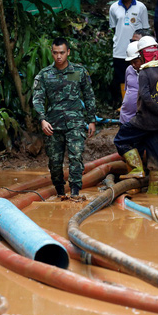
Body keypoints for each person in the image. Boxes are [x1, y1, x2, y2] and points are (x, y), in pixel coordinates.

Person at [114, 36, 158, 195]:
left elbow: (146, 98)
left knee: (121, 139)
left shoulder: (145, 72)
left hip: (144, 121)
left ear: (143, 54)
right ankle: (153, 197)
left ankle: (137, 168)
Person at [32, 38, 96, 197]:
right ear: (52, 53)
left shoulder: (79, 72)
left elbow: (89, 96)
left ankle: (75, 192)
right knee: (54, 163)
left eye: (62, 53)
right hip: (53, 125)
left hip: (75, 123)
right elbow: (37, 98)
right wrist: (42, 119)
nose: (58, 56)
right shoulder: (45, 75)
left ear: (68, 52)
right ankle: (60, 192)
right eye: (55, 53)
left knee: (76, 157)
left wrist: (92, 120)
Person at [109, 0, 149, 105]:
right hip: (120, 50)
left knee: (139, 76)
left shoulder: (141, 7)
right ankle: (124, 104)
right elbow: (114, 27)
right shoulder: (114, 7)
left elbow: (145, 29)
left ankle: (139, 103)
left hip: (137, 51)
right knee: (121, 78)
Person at [119, 42, 143, 124]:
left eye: (135, 61)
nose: (132, 64)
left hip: (141, 118)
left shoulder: (150, 72)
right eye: (131, 62)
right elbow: (127, 91)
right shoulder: (129, 69)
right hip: (126, 117)